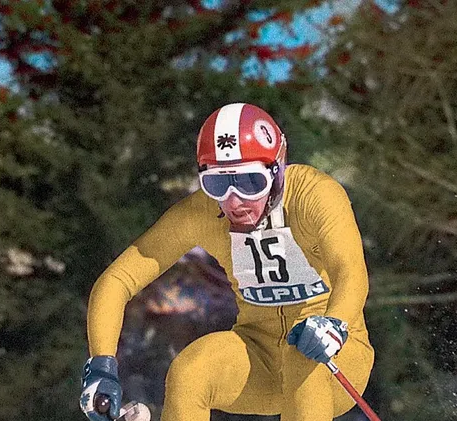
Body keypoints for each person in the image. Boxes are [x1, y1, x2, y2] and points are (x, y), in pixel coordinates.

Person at [79, 103, 374, 421]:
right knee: (191, 370)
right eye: (218, 184)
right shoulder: (202, 213)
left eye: (251, 182)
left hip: (333, 360)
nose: (234, 201)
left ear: (277, 169)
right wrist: (101, 365)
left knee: (301, 352)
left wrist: (334, 324)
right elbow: (118, 280)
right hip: (260, 358)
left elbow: (350, 271)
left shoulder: (313, 195)